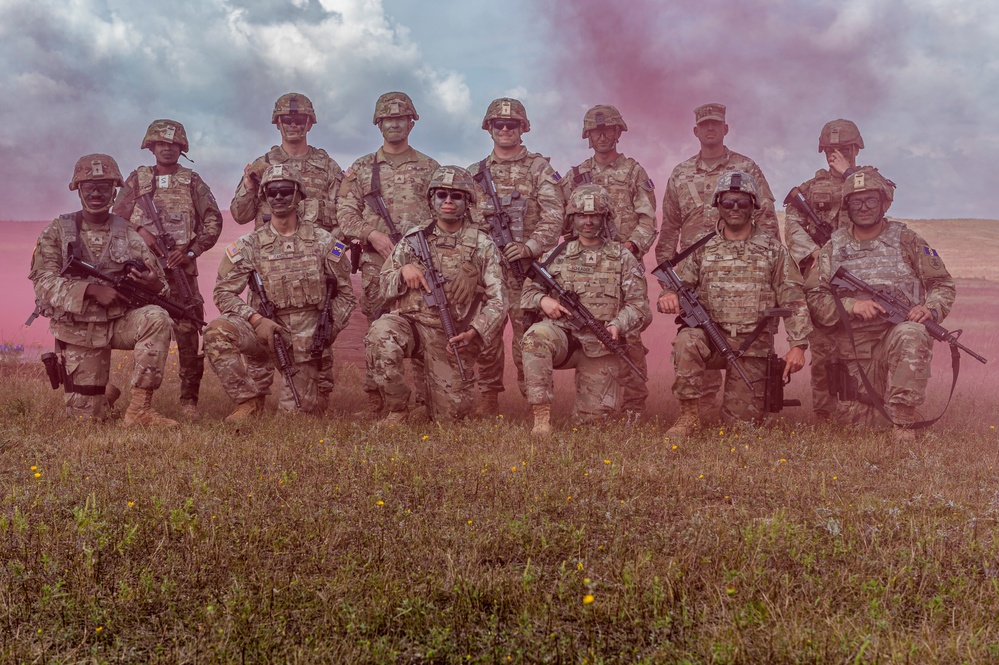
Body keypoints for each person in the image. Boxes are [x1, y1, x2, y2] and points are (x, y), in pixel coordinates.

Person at [804, 167, 955, 442]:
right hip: (854, 347)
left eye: (871, 200)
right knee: (859, 427)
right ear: (847, 206)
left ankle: (903, 422)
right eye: (856, 201)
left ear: (884, 202)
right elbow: (814, 296)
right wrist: (851, 306)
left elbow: (942, 283)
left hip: (894, 336)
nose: (863, 207)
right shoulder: (833, 247)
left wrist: (930, 309)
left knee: (913, 333)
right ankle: (873, 408)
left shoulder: (908, 240)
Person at [657, 171, 810, 438]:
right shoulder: (703, 249)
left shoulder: (773, 250)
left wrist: (798, 346)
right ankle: (688, 416)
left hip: (752, 346)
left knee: (741, 430)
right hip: (712, 339)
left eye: (742, 202)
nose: (735, 209)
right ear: (718, 206)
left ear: (754, 206)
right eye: (728, 203)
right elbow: (679, 286)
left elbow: (793, 297)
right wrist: (667, 297)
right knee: (687, 340)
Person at [28, 154, 178, 426]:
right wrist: (90, 291)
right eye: (89, 187)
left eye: (104, 187)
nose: (96, 193)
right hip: (79, 330)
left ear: (114, 190)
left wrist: (154, 283)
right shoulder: (57, 232)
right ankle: (103, 392)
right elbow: (42, 282)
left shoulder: (129, 233)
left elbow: (161, 286)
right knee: (85, 421)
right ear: (78, 189)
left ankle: (138, 410)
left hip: (120, 322)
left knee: (157, 317)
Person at [654, 103, 780, 419]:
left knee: (749, 347)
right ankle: (699, 412)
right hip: (697, 277)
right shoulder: (681, 174)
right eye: (704, 125)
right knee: (697, 337)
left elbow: (766, 221)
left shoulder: (746, 167)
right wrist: (669, 286)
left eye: (716, 124)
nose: (710, 129)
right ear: (696, 131)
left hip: (743, 274)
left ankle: (742, 406)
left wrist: (768, 271)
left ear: (725, 129)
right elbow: (669, 228)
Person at [205, 164, 356, 421]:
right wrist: (256, 320)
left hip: (306, 341)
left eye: (285, 191)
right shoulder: (250, 245)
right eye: (271, 192)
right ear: (263, 196)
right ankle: (249, 402)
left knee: (294, 420)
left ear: (299, 195)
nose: (278, 197)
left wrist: (328, 330)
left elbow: (345, 295)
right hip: (262, 331)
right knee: (217, 332)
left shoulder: (323, 242)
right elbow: (223, 293)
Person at [365, 166, 507, 424]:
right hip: (412, 326)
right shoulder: (413, 239)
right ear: (432, 200)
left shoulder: (482, 244)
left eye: (457, 196)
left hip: (452, 336)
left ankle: (429, 400)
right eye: (442, 195)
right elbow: (382, 285)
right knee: (380, 332)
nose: (449, 201)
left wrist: (474, 331)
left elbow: (499, 300)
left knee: (450, 418)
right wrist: (403, 272)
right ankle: (397, 409)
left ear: (468, 202)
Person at [338, 91, 440, 417]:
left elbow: (443, 217)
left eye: (400, 118)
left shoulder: (429, 168)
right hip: (376, 264)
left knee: (425, 328)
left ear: (411, 122)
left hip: (419, 263)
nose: (394, 123)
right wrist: (372, 234)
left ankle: (427, 403)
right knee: (376, 330)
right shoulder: (361, 169)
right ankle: (378, 401)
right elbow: (345, 215)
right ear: (378, 124)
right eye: (387, 118)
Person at [113, 119, 223, 421]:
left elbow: (213, 221)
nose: (167, 148)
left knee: (188, 330)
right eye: (161, 143)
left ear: (181, 148)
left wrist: (190, 252)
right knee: (120, 323)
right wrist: (141, 231)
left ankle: (189, 401)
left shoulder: (192, 181)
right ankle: (124, 396)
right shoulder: (138, 180)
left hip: (180, 273)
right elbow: (117, 218)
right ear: (151, 146)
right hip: (140, 272)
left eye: (173, 144)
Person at [521, 184, 651, 437]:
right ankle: (541, 418)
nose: (588, 221)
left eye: (595, 215)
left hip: (601, 342)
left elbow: (640, 306)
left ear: (605, 218)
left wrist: (617, 325)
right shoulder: (556, 255)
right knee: (535, 337)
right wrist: (542, 301)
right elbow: (527, 292)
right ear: (572, 219)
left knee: (593, 426)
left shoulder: (622, 257)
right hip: (563, 336)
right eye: (582, 215)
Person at [469, 97, 565, 415]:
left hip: (527, 270)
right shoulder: (474, 174)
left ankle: (534, 401)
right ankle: (487, 398)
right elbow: (463, 223)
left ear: (523, 128)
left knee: (527, 335)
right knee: (486, 333)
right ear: (489, 128)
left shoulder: (540, 169)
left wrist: (530, 248)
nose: (506, 129)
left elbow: (555, 215)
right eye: (499, 124)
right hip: (486, 271)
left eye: (512, 124)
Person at [561, 104, 656, 421]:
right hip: (585, 266)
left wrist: (631, 246)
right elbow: (562, 220)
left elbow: (647, 221)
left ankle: (633, 406)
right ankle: (593, 401)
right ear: (588, 136)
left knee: (628, 334)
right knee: (588, 331)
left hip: (622, 264)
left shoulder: (633, 173)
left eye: (608, 130)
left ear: (618, 133)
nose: (602, 135)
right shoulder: (575, 177)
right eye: (596, 131)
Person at [783, 119, 867, 420]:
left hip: (861, 276)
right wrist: (815, 252)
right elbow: (792, 224)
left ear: (856, 148)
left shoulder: (869, 181)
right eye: (832, 150)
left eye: (845, 148)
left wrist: (849, 174)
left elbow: (881, 204)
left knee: (861, 349)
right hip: (822, 275)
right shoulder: (808, 189)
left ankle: (864, 412)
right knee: (824, 350)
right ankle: (826, 416)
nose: (838, 154)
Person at [230, 93, 342, 233]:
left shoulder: (328, 167)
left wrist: (329, 247)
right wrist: (249, 185)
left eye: (299, 119)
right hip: (269, 251)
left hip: (316, 251)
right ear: (278, 124)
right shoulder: (262, 165)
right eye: (287, 120)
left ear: (309, 124)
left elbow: (345, 217)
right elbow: (240, 216)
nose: (293, 125)